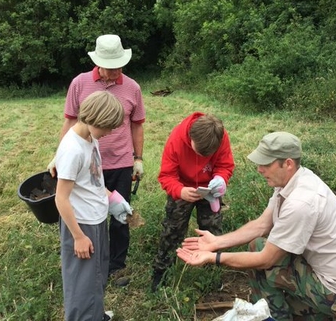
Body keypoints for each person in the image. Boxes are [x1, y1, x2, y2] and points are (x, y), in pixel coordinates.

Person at [176, 132, 336, 321]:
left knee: (260, 257)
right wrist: (216, 242)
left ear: (288, 163)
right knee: (258, 244)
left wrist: (214, 257)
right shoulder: (292, 181)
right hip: (334, 278)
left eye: (265, 163)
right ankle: (304, 312)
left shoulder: (301, 203)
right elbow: (262, 225)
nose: (259, 169)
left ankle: (278, 316)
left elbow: (266, 260)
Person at [49, 34, 146, 286]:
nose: (116, 72)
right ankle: (91, 257)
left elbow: (137, 125)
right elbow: (70, 120)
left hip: (120, 162)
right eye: (111, 67)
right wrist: (58, 157)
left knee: (120, 214)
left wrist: (138, 158)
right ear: (98, 62)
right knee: (90, 214)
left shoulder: (132, 87)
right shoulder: (79, 84)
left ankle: (116, 264)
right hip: (86, 167)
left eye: (119, 67)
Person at [54, 91, 125, 321]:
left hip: (96, 218)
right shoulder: (73, 149)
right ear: (94, 120)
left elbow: (93, 182)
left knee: (96, 274)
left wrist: (112, 200)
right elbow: (61, 198)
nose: (109, 133)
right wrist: (78, 237)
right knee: (82, 282)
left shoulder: (90, 139)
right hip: (82, 224)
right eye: (107, 128)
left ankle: (94, 314)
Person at [151, 112, 235, 292]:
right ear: (190, 139)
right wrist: (180, 191)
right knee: (172, 229)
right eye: (200, 152)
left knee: (212, 229)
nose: (204, 157)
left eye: (208, 154)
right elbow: (166, 176)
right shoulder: (176, 140)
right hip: (182, 188)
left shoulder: (220, 136)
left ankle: (212, 272)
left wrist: (220, 179)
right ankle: (162, 271)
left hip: (210, 189)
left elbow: (225, 165)